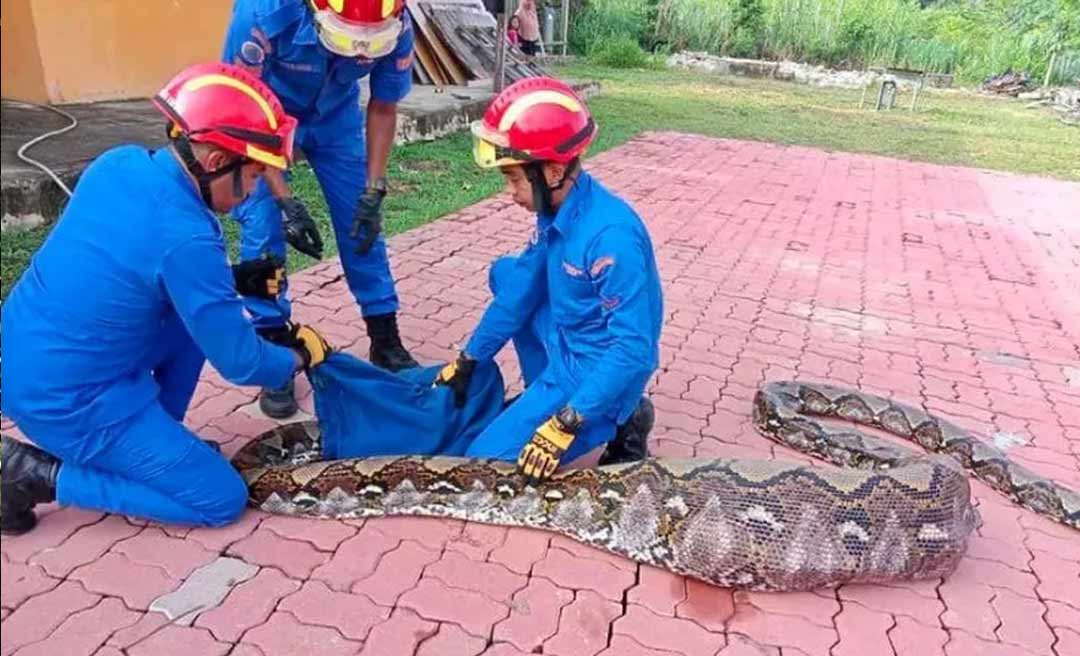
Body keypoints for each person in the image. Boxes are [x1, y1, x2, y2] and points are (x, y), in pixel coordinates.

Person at [0, 62, 333, 536]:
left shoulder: (120, 162)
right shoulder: (188, 237)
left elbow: (125, 267)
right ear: (217, 162)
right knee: (220, 498)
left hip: (29, 359)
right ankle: (37, 475)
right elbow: (241, 364)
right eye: (256, 175)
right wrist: (298, 357)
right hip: (68, 401)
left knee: (188, 322)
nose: (254, 190)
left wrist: (235, 279)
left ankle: (155, 444)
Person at [433, 76, 662, 485]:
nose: (510, 192)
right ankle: (544, 393)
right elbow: (521, 287)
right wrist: (470, 358)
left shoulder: (611, 240)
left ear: (554, 171)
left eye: (515, 179)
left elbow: (634, 349)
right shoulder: (556, 210)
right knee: (506, 275)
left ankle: (620, 419)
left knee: (484, 463)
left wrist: (567, 421)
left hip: (594, 368)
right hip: (570, 339)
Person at [221, 0, 421, 419]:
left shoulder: (397, 20)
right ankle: (273, 346)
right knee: (263, 229)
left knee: (361, 222)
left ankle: (384, 336)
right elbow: (245, 111)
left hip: (335, 118)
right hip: (265, 118)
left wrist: (375, 189)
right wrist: (285, 200)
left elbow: (384, 106)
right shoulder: (261, 17)